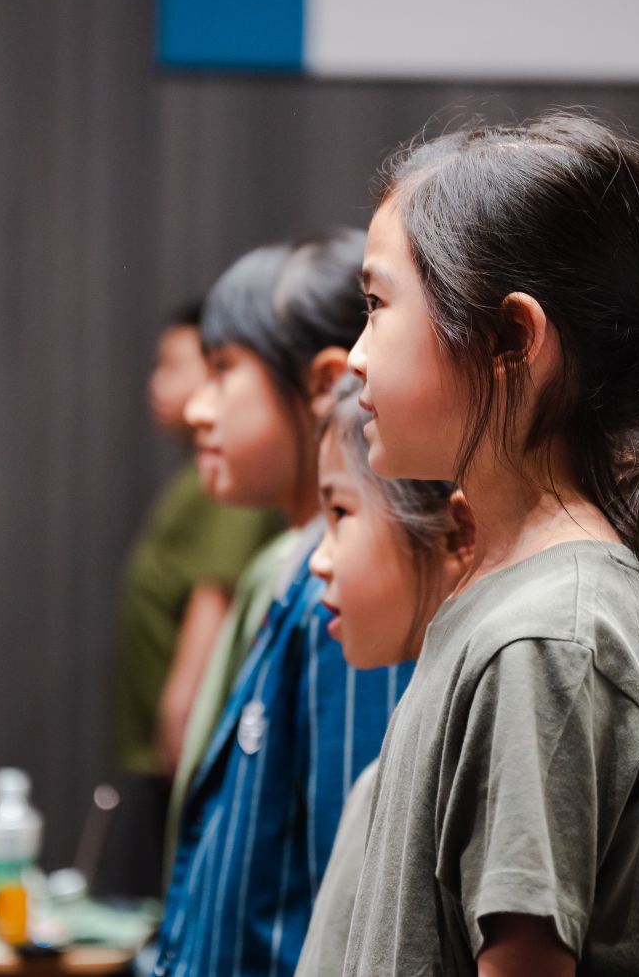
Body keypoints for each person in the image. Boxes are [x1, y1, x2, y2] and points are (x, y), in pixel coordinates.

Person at [338, 113, 639, 976]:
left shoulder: (548, 639)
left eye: (377, 305)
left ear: (513, 340)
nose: (355, 355)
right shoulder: (513, 600)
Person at [151, 230, 410, 977]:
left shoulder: (347, 592)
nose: (197, 408)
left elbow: (349, 889)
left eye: (224, 370)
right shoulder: (296, 567)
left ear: (323, 382)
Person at [297, 375, 475, 977]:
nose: (318, 560)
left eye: (341, 512)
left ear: (455, 535)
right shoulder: (386, 774)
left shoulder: (457, 756)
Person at [110, 303, 282, 894]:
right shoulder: (202, 474)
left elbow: (214, 596)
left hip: (189, 745)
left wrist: (181, 719)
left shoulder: (226, 479)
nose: (157, 383)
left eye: (175, 365)